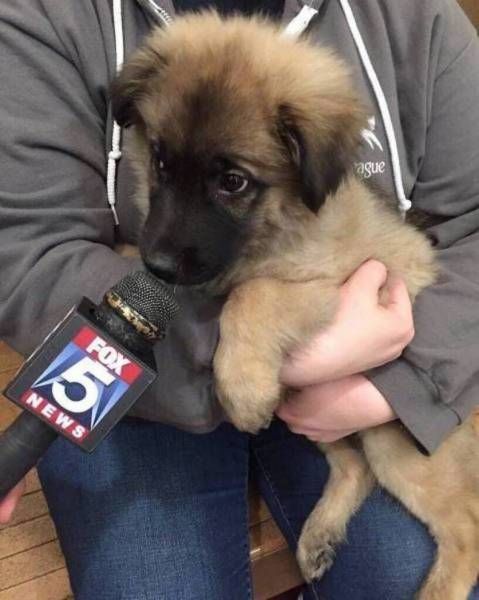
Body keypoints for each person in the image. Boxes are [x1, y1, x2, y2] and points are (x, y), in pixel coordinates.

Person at [0, 0, 478, 598]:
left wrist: (401, 381)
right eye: (163, 162)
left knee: (400, 571)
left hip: (371, 370)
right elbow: (27, 251)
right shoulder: (46, 17)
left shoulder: (418, 21)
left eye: (233, 183)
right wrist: (263, 352)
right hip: (142, 368)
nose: (166, 245)